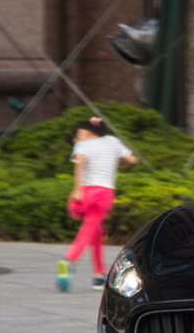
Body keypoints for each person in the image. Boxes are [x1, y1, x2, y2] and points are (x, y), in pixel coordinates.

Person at [57, 117, 138, 291]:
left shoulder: (82, 145)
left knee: (97, 232)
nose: (79, 137)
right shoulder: (113, 142)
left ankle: (99, 276)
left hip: (84, 193)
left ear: (90, 133)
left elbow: (80, 163)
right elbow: (132, 160)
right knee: (89, 229)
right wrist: (120, 161)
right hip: (103, 193)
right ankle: (69, 260)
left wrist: (77, 189)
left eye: (81, 134)